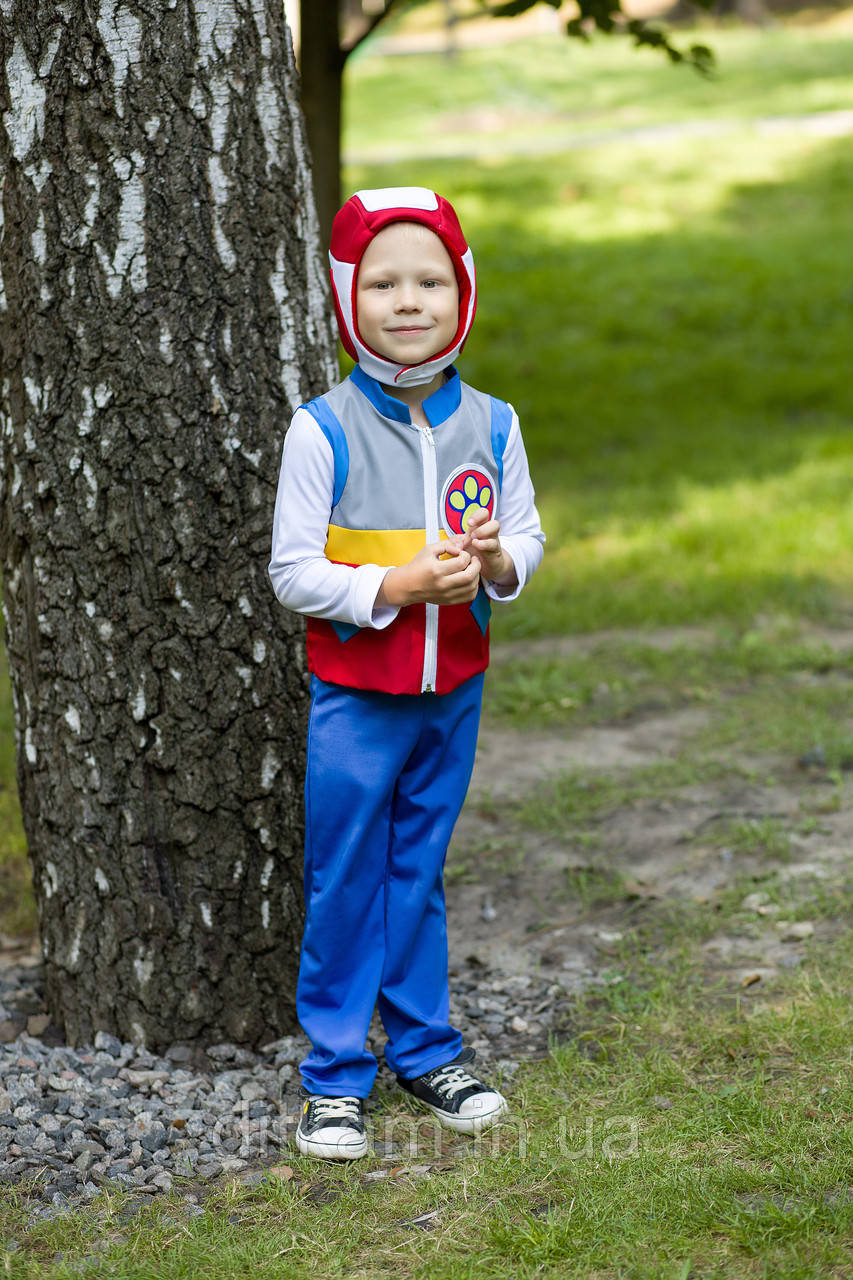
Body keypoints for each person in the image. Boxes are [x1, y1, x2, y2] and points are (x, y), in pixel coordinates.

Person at [269, 186, 545, 1160]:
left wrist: (500, 563)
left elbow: (525, 537)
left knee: (418, 873)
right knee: (346, 875)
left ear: (461, 290)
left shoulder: (495, 422)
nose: (409, 299)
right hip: (356, 698)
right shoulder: (324, 428)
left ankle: (427, 1048)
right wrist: (397, 581)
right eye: (382, 281)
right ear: (348, 296)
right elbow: (293, 569)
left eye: (430, 278)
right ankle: (335, 1073)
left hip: (451, 694)